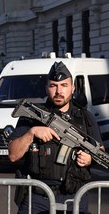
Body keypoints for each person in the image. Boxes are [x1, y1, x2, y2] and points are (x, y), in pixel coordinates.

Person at [8, 61, 103, 214]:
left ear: (72, 89)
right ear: (47, 88)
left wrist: (90, 159)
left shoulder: (86, 117)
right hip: (38, 199)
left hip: (75, 199)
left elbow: (100, 151)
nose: (59, 91)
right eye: (53, 85)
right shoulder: (33, 116)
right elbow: (12, 155)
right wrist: (32, 133)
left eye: (64, 85)